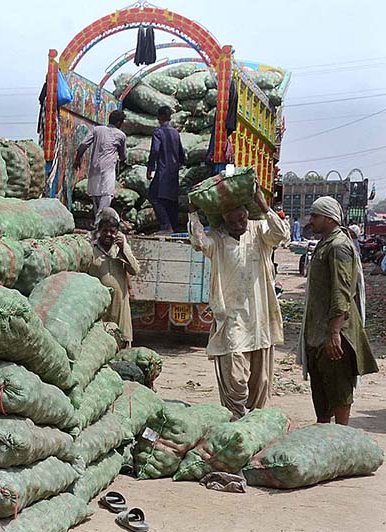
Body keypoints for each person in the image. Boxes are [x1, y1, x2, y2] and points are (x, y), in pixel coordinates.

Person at [188, 189, 290, 420]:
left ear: (247, 215)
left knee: (261, 380)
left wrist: (264, 207)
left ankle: (256, 423)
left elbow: (281, 234)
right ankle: (234, 420)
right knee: (235, 378)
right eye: (232, 222)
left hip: (260, 318)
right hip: (231, 318)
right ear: (224, 220)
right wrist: (193, 215)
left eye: (242, 219)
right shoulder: (217, 238)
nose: (238, 225)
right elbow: (198, 242)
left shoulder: (259, 231)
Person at [297, 197, 378, 425]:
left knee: (339, 390)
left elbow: (341, 291)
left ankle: (341, 436)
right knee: (321, 392)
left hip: (333, 335)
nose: (311, 220)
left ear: (329, 218)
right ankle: (325, 438)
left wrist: (334, 333)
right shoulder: (325, 244)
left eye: (315, 216)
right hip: (318, 333)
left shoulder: (339, 246)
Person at [89, 207, 139, 347]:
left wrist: (123, 249)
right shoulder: (91, 249)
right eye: (105, 231)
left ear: (117, 233)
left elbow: (134, 270)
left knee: (121, 342)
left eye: (112, 232)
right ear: (99, 231)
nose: (109, 234)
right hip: (99, 308)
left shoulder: (120, 249)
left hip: (119, 307)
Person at [75, 110, 127, 223]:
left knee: (96, 195)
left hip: (94, 168)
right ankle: (99, 222)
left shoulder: (97, 129)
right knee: (107, 196)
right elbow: (123, 156)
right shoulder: (121, 135)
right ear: (119, 122)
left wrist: (77, 159)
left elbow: (83, 145)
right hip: (108, 170)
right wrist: (122, 160)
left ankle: (98, 221)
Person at [147, 106, 185, 233]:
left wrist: (150, 168)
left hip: (163, 170)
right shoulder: (175, 133)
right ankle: (174, 226)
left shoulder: (158, 132)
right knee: (171, 199)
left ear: (160, 117)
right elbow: (182, 154)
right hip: (173, 172)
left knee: (154, 196)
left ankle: (166, 226)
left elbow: (155, 151)